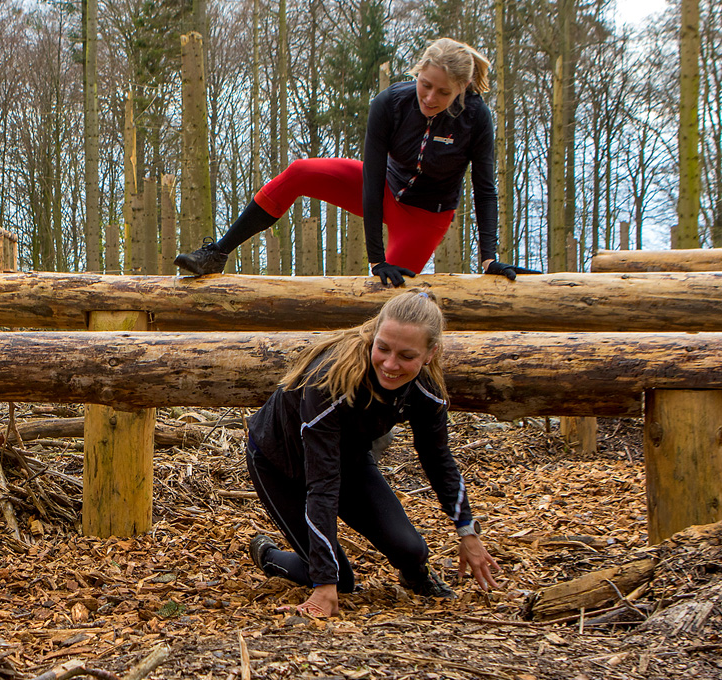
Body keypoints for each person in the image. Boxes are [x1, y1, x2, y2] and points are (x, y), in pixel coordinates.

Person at [174, 38, 538, 286]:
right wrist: (376, 257)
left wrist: (489, 258)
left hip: (426, 216)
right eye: (425, 84)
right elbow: (373, 175)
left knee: (387, 296)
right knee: (300, 171)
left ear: (462, 87)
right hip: (381, 187)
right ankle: (216, 254)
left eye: (443, 92)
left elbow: (485, 189)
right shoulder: (391, 103)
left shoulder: (475, 117)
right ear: (418, 72)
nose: (430, 97)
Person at [244, 289, 500, 617]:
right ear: (374, 335)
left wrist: (466, 529)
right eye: (383, 348)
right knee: (339, 579)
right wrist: (324, 586)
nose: (390, 365)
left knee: (411, 550)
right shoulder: (330, 382)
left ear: (430, 353)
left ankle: (415, 576)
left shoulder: (426, 392)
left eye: (406, 356)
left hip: (346, 458)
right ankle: (267, 554)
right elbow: (322, 487)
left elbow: (437, 458)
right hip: (278, 462)